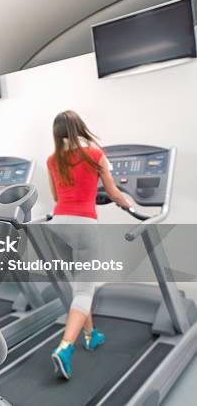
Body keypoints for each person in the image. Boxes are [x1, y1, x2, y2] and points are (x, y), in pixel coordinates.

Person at [46, 110, 131, 380]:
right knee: (85, 288)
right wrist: (128, 203)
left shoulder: (52, 159)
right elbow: (114, 191)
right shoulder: (95, 155)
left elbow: (55, 195)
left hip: (57, 224)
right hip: (83, 223)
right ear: (80, 127)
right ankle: (64, 349)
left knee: (80, 286)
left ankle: (90, 334)